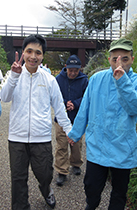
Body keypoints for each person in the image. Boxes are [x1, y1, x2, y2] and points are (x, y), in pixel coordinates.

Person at [67, 38, 137, 210]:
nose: (119, 63)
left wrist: (122, 82)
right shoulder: (97, 79)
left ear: (132, 59)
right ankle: (91, 205)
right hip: (97, 144)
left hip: (123, 147)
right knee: (91, 188)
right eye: (115, 59)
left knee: (119, 193)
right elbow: (85, 107)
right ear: (109, 60)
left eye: (125, 59)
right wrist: (75, 133)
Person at [0, 34, 72, 210]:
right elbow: (4, 98)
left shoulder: (49, 80)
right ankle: (20, 206)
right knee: (18, 178)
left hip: (41, 138)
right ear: (22, 53)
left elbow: (59, 107)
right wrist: (14, 77)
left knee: (45, 174)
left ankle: (46, 191)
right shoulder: (12, 74)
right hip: (17, 138)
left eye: (37, 52)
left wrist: (70, 130)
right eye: (29, 51)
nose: (33, 56)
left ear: (42, 56)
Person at [54, 54, 88, 186]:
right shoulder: (58, 79)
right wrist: (65, 103)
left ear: (80, 69)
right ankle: (62, 171)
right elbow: (53, 96)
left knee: (76, 143)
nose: (73, 73)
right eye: (71, 70)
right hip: (61, 118)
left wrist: (75, 103)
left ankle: (75, 163)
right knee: (61, 145)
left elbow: (87, 97)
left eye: (76, 70)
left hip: (77, 117)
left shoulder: (84, 80)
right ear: (65, 67)